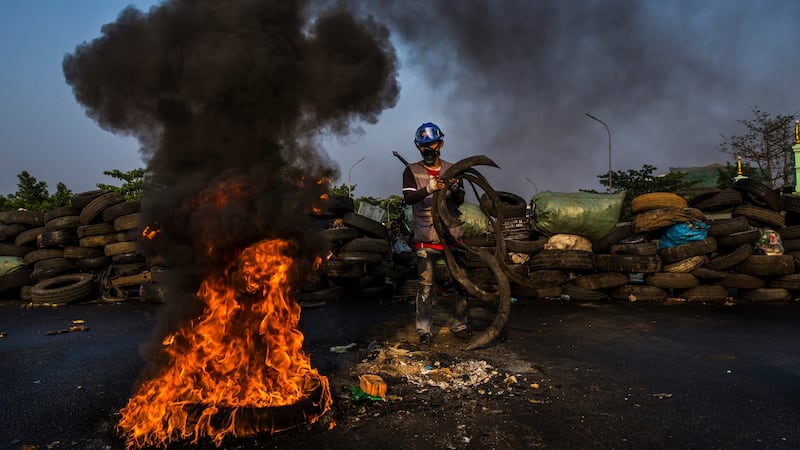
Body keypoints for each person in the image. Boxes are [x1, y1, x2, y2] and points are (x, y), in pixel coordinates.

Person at [402, 122, 471, 350]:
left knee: (461, 283)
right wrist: (428, 189)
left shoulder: (453, 169)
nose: (428, 148)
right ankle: (424, 331)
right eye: (423, 145)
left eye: (431, 143)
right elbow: (409, 199)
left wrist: (454, 188)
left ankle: (460, 326)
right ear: (418, 147)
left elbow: (460, 200)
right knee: (426, 285)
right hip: (426, 237)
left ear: (441, 143)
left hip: (452, 237)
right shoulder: (411, 171)